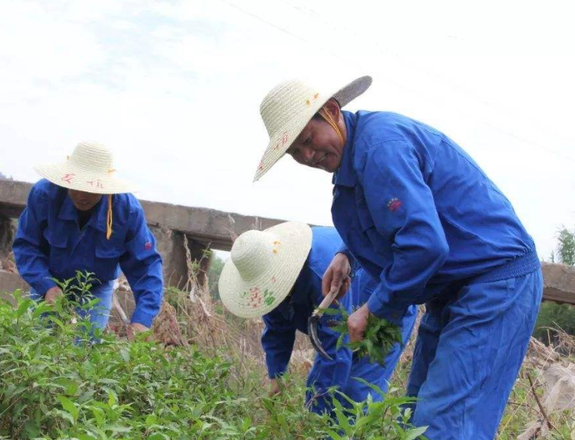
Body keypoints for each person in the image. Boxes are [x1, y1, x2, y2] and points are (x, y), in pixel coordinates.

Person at [253, 77, 543, 440]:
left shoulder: (380, 147)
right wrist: (347, 254)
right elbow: (388, 226)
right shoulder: (354, 166)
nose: (308, 156)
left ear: (330, 112)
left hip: (494, 281)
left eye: (308, 141)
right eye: (295, 153)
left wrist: (374, 309)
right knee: (416, 418)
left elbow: (423, 245)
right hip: (451, 291)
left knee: (443, 424)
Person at [218, 222, 416, 415]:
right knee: (335, 398)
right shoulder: (271, 289)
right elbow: (277, 330)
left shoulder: (320, 274)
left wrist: (313, 414)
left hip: (385, 310)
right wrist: (276, 377)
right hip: (348, 318)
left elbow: (334, 352)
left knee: (354, 399)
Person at [13, 141, 163, 338]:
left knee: (86, 347)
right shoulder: (44, 195)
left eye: (92, 189)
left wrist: (142, 319)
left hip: (96, 286)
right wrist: (47, 286)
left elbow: (146, 266)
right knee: (35, 341)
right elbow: (26, 245)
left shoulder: (127, 211)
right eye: (76, 186)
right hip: (48, 278)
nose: (82, 195)